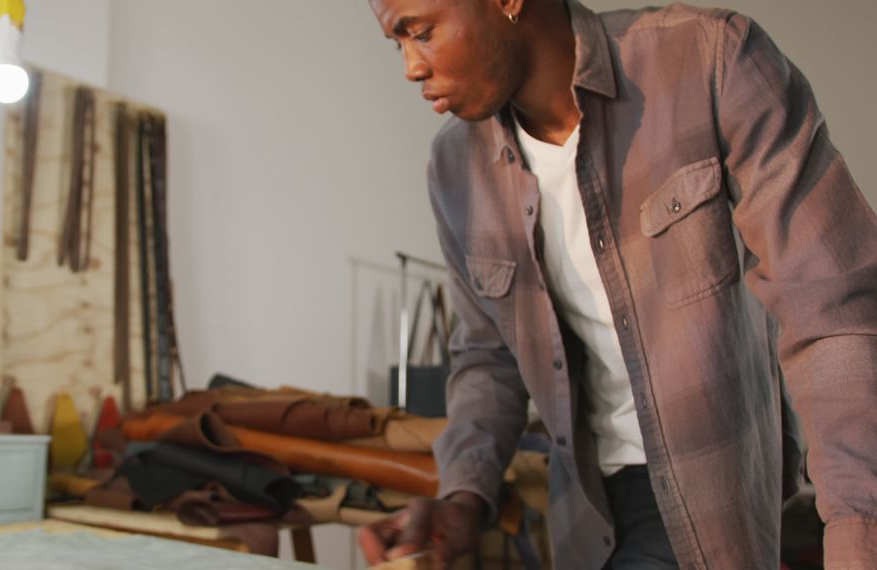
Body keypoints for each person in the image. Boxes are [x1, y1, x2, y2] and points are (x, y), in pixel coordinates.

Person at [358, 0, 877, 568]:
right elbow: (488, 359)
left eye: (421, 33)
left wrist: (858, 529)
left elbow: (832, 310)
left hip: (714, 494)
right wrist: (462, 497)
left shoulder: (709, 60)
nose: (411, 66)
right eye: (396, 44)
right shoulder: (456, 169)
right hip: (586, 515)